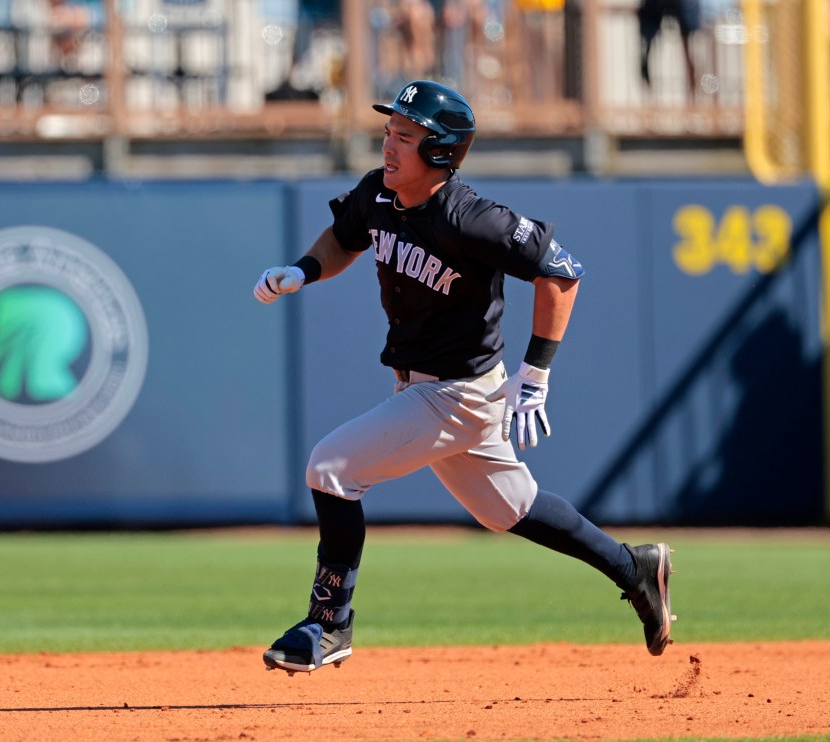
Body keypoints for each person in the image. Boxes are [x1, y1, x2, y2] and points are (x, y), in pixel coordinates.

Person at [252, 80, 676, 675]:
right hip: (425, 387)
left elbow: (563, 273)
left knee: (331, 467)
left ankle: (329, 624)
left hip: (457, 393)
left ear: (441, 152)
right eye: (388, 133)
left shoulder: (470, 217)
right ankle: (634, 569)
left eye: (406, 136)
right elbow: (345, 237)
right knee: (511, 508)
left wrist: (537, 371)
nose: (390, 146)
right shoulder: (379, 194)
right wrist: (302, 271)